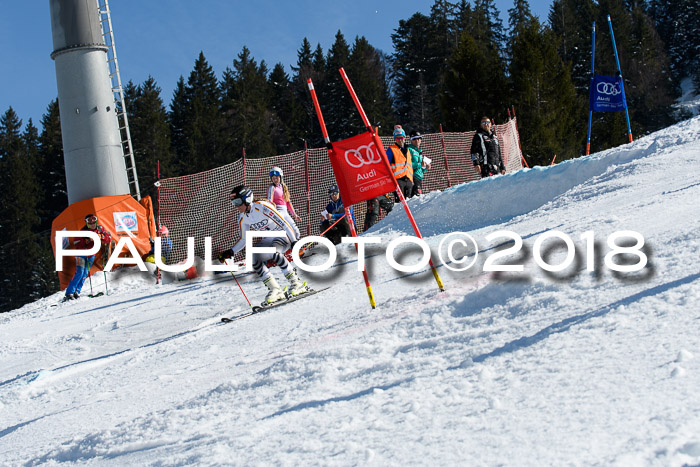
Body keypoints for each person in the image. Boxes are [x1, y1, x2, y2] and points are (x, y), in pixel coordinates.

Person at [218, 185, 309, 305]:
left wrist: (293, 241)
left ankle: (296, 283)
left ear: (247, 199)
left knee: (273, 250)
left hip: (284, 235)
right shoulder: (243, 217)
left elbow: (284, 223)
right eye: (234, 202)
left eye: (238, 202)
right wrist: (231, 252)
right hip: (269, 240)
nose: (236, 206)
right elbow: (244, 239)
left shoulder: (262, 207)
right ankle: (275, 290)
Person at [64, 213, 112, 301]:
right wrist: (87, 241)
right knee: (80, 272)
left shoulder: (100, 229)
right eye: (90, 223)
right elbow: (76, 243)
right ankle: (69, 293)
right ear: (87, 224)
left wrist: (102, 237)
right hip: (81, 254)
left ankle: (77, 292)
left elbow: (108, 238)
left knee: (85, 273)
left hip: (91, 255)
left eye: (94, 223)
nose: (92, 225)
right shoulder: (83, 232)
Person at [267, 166, 301, 238]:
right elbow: (270, 201)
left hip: (285, 213)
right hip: (278, 212)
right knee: (285, 233)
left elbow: (288, 203)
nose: (275, 180)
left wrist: (294, 215)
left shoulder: (283, 187)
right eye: (273, 178)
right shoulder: (272, 187)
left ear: (281, 177)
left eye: (276, 178)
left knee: (296, 232)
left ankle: (294, 248)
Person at [386, 125, 413, 199]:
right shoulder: (391, 149)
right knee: (400, 204)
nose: (400, 140)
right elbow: (386, 164)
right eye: (397, 138)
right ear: (395, 139)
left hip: (408, 179)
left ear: (404, 138)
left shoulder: (408, 149)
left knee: (410, 202)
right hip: (398, 180)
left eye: (401, 137)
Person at [408, 130, 431, 197]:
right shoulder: (409, 150)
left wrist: (425, 168)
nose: (417, 140)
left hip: (419, 177)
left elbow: (419, 168)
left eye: (418, 138)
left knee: (416, 198)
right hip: (412, 177)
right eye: (414, 139)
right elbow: (407, 165)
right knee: (416, 198)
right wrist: (420, 164)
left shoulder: (419, 151)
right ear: (411, 140)